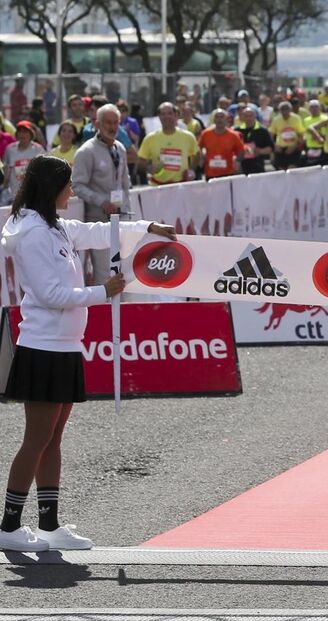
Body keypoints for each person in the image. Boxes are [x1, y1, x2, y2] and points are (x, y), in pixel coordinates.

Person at [0, 155, 175, 552]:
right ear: (52, 188)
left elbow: (97, 231)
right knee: (36, 439)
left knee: (53, 439)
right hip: (42, 347)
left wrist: (146, 227)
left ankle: (48, 524)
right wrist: (103, 292)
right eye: (67, 185)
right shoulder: (32, 232)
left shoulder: (55, 225)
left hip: (65, 345)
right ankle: (8, 526)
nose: (73, 191)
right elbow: (50, 295)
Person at [72, 103, 132, 284]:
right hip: (98, 223)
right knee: (105, 274)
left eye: (116, 123)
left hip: (121, 221)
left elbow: (125, 182)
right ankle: (105, 311)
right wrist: (101, 201)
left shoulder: (120, 148)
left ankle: (123, 312)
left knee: (126, 271)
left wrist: (128, 215)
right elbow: (77, 185)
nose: (112, 127)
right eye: (108, 123)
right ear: (97, 124)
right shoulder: (86, 151)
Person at [137, 102, 199, 185]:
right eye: (163, 114)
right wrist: (148, 168)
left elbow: (196, 155)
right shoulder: (150, 138)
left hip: (181, 186)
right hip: (158, 186)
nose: (166, 117)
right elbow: (140, 162)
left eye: (170, 113)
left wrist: (191, 170)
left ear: (176, 115)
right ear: (159, 117)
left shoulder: (188, 136)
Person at [2, 122, 45, 203]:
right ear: (16, 134)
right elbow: (6, 168)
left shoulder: (38, 149)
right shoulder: (10, 149)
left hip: (34, 194)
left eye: (25, 132)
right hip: (15, 196)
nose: (22, 135)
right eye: (20, 132)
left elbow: (45, 170)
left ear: (31, 134)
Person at [235, 107, 273, 175]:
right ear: (242, 117)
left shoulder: (263, 131)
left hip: (257, 166)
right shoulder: (237, 131)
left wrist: (260, 151)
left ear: (255, 116)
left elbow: (270, 148)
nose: (248, 118)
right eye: (246, 116)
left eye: (251, 115)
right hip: (241, 167)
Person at [268, 101, 305, 170]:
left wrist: (295, 146)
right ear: (279, 110)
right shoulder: (276, 120)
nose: (285, 111)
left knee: (292, 169)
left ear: (290, 109)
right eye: (282, 109)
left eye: (287, 109)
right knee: (281, 170)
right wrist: (274, 145)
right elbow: (271, 134)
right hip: (280, 148)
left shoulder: (296, 118)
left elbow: (301, 134)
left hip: (293, 148)